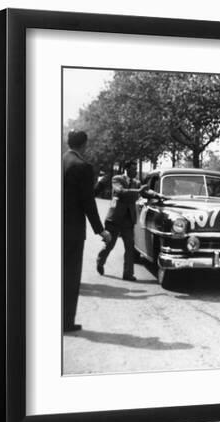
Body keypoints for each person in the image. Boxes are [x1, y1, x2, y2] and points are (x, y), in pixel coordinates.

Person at [63, 130, 111, 333]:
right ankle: (66, 321)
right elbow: (88, 203)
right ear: (85, 145)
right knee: (70, 276)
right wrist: (101, 231)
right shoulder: (83, 167)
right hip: (72, 229)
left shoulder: (62, 160)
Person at [96, 160, 152, 281]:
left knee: (130, 247)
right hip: (115, 218)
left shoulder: (136, 182)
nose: (135, 171)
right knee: (110, 244)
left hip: (128, 219)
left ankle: (128, 274)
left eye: (136, 168)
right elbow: (120, 191)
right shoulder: (117, 179)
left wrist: (157, 195)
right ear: (126, 169)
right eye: (133, 168)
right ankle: (100, 261)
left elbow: (145, 193)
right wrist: (138, 191)